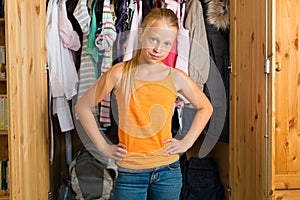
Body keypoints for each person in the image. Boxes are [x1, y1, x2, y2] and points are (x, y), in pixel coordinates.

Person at [75, 8, 213, 200]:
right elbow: (82, 107)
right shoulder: (119, 73)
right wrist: (104, 147)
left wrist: (186, 142)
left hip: (168, 171)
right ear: (141, 35)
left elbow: (206, 107)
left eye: (167, 44)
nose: (158, 49)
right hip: (130, 173)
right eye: (153, 40)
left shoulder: (175, 77)